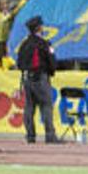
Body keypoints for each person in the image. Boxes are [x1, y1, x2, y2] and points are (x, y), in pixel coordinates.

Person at [16, 16, 62, 144]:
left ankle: (30, 136)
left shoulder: (24, 44)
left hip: (27, 78)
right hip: (41, 77)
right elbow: (52, 62)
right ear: (39, 28)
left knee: (29, 107)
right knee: (46, 106)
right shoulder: (44, 44)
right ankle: (50, 135)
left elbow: (19, 63)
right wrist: (51, 72)